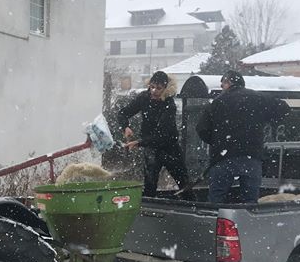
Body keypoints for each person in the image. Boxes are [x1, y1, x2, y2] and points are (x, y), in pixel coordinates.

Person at [196, 70, 290, 204]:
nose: (222, 88)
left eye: (222, 85)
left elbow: (201, 128)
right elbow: (284, 108)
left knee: (216, 199)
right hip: (251, 156)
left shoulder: (216, 103)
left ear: (228, 82)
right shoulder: (258, 98)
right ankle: (247, 223)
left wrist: (217, 142)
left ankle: (215, 221)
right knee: (250, 201)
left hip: (223, 157)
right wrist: (264, 119)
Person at [117, 71, 191, 197]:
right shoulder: (144, 98)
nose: (154, 91)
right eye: (152, 87)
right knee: (150, 184)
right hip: (151, 148)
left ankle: (190, 205)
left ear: (165, 88)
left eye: (158, 88)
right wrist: (125, 127)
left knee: (183, 182)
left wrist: (139, 142)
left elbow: (162, 134)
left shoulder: (169, 104)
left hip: (169, 148)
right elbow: (123, 113)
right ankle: (148, 208)